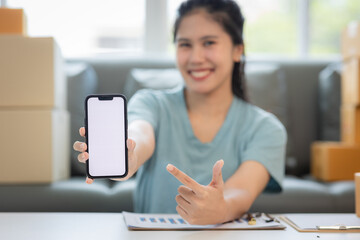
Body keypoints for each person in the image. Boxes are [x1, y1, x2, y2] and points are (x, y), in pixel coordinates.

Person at [73, 0, 287, 225]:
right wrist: (129, 156)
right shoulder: (151, 103)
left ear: (237, 49)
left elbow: (241, 194)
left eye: (209, 43)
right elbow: (140, 134)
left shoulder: (266, 128)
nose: (195, 58)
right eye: (185, 44)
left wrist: (220, 209)